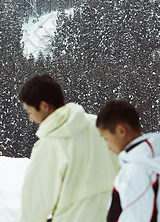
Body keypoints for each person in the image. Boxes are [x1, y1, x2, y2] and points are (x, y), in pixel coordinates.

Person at [14, 74, 120, 222]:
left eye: (30, 112)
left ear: (44, 106)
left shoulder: (50, 145)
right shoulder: (99, 127)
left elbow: (36, 204)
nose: (31, 119)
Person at [96, 100, 160, 222]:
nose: (108, 146)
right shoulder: (157, 159)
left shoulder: (136, 170)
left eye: (106, 138)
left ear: (121, 131)